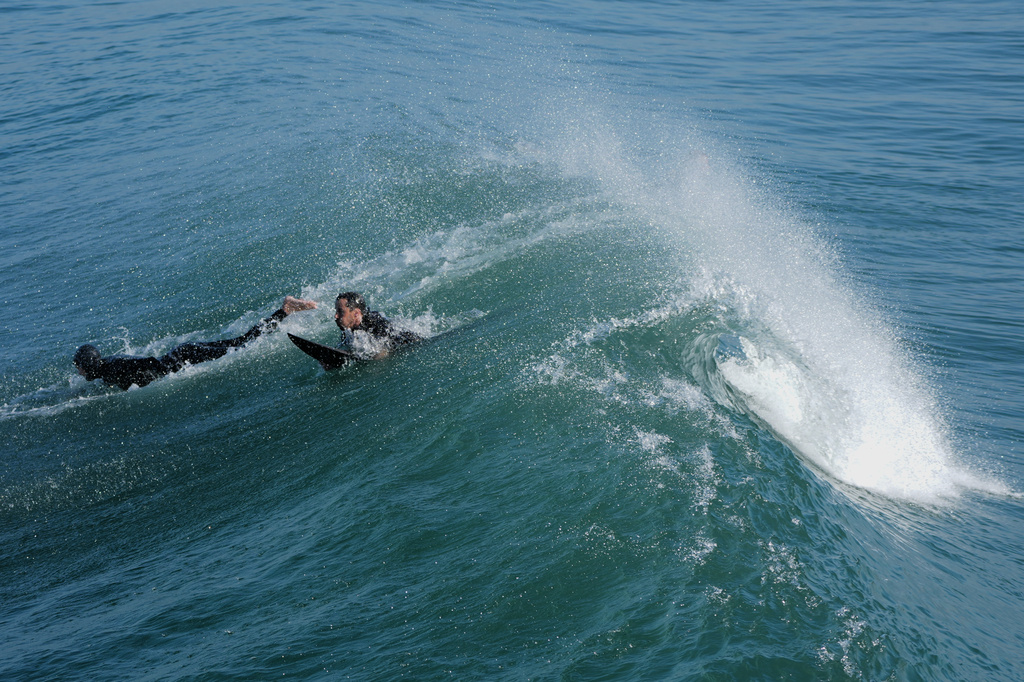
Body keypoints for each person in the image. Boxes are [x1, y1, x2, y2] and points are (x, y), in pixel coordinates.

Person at [74, 295, 317, 390]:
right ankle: (285, 310)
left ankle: (285, 309)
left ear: (89, 364)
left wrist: (159, 374)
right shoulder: (107, 367)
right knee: (241, 341)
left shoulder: (111, 370)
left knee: (244, 344)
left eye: (80, 366)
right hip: (181, 353)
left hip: (183, 357)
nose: (79, 371)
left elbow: (146, 362)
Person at [334, 291, 422, 359]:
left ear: (356, 313)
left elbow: (383, 352)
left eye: (341, 312)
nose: (336, 316)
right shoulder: (348, 330)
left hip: (414, 345)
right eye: (336, 311)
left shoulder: (375, 324)